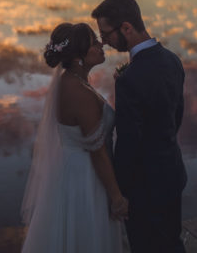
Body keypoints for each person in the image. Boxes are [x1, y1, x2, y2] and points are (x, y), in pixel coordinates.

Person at [21, 22, 129, 253]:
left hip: (73, 171)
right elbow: (97, 152)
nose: (101, 44)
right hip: (85, 178)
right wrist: (117, 198)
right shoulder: (77, 91)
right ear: (79, 56)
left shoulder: (74, 82)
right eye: (93, 42)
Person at [92, 0, 187, 253]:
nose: (105, 42)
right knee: (172, 242)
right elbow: (176, 117)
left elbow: (128, 143)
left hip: (145, 186)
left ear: (126, 28)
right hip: (172, 172)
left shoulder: (130, 79)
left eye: (106, 34)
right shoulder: (172, 59)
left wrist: (119, 192)